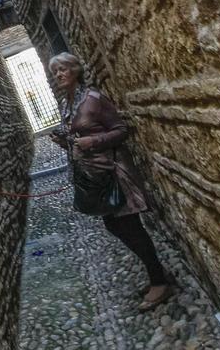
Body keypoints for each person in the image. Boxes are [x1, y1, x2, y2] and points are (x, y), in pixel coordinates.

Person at [48, 52, 174, 311]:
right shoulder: (67, 103)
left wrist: (93, 141)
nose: (58, 75)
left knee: (129, 227)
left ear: (75, 70)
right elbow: (79, 136)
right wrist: (65, 141)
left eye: (62, 69)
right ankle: (157, 274)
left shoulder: (94, 99)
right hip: (96, 176)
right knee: (116, 226)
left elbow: (121, 130)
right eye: (54, 72)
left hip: (115, 173)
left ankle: (160, 282)